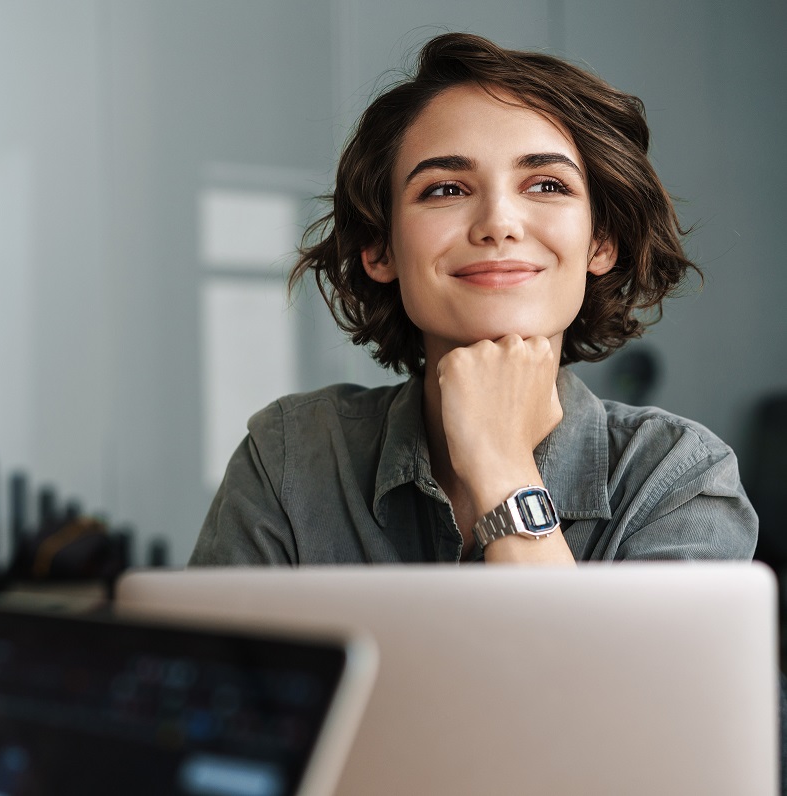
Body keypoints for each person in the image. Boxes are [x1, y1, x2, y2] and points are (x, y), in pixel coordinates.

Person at [189, 32, 756, 567]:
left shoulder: (678, 477)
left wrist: (502, 466)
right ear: (379, 248)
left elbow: (593, 677)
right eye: (446, 189)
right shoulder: (288, 457)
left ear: (600, 241)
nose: (498, 224)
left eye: (547, 185)